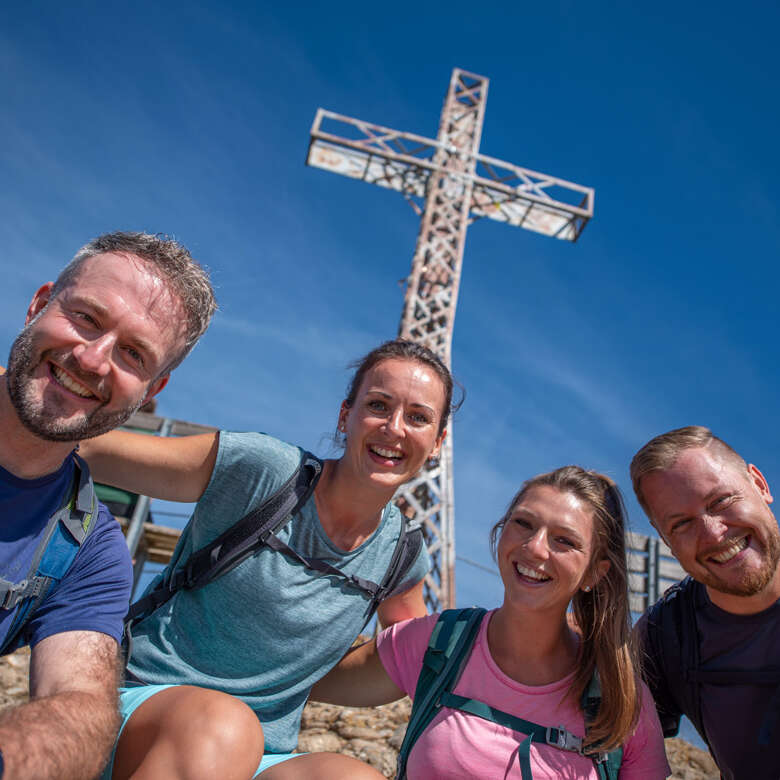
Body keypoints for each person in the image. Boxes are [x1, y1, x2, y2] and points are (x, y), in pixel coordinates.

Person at [78, 338, 453, 779]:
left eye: (418, 417)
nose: (394, 427)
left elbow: (404, 664)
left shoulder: (401, 555)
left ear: (436, 442)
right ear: (344, 416)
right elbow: (92, 450)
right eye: (378, 405)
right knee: (222, 728)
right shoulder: (266, 470)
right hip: (141, 703)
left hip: (260, 752)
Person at [0, 231, 216, 779]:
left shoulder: (87, 551)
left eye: (133, 353)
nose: (93, 360)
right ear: (37, 304)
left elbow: (81, 709)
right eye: (86, 318)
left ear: (153, 388)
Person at [311, 466, 671, 779]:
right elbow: (299, 681)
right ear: (501, 532)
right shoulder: (440, 643)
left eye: (564, 541)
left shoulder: (621, 696)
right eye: (523, 523)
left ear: (595, 572)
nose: (535, 548)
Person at [632, 425, 780, 780]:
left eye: (721, 501)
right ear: (666, 541)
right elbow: (606, 750)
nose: (713, 532)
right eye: (682, 524)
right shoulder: (665, 636)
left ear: (759, 485)